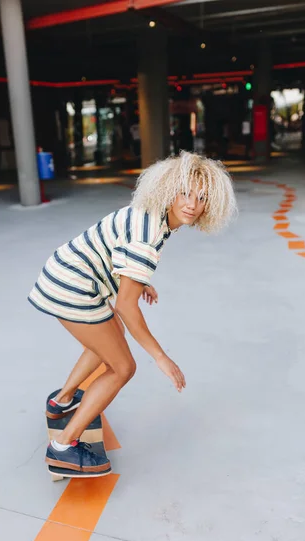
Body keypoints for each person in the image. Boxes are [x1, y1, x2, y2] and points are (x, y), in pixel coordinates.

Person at [28, 152, 237, 476]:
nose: (192, 205)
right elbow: (126, 305)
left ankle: (61, 402)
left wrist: (139, 281)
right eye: (185, 193)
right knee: (123, 367)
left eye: (202, 198)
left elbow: (118, 252)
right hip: (71, 287)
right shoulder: (150, 234)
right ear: (169, 188)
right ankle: (63, 448)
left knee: (111, 336)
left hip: (68, 273)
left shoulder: (154, 215)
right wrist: (161, 357)